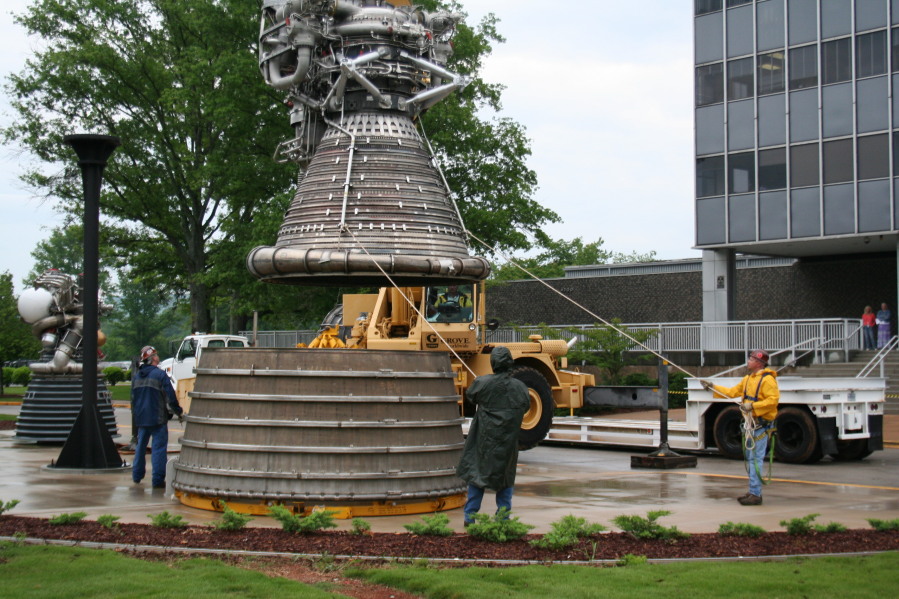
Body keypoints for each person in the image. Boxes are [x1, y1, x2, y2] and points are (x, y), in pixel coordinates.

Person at [456, 347, 529, 525]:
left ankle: (470, 516)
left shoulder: (482, 383)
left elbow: (471, 395)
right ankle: (503, 517)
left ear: (493, 363)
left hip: (484, 441)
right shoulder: (520, 387)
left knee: (477, 475)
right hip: (508, 441)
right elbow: (526, 406)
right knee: (505, 477)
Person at [701, 349, 779, 506]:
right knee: (751, 459)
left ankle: (755, 494)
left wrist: (753, 406)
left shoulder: (767, 380)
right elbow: (731, 393)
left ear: (758, 363)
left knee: (755, 460)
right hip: (752, 425)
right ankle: (753, 491)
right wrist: (713, 387)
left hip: (761, 425)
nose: (748, 362)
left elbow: (773, 400)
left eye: (750, 359)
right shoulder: (748, 379)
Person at [131, 345, 183, 489]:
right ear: (153, 358)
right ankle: (158, 480)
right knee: (159, 448)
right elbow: (171, 397)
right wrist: (178, 411)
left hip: (141, 419)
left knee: (140, 447)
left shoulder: (136, 378)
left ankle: (136, 475)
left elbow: (133, 399)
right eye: (156, 355)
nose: (158, 356)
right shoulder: (160, 375)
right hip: (157, 418)